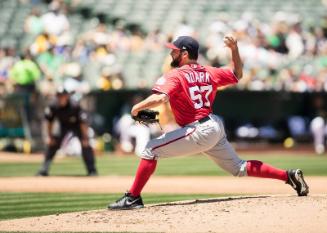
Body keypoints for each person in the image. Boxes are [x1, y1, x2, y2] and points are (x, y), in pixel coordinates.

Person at [108, 36, 309, 210]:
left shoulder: (176, 74)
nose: (172, 55)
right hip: (214, 125)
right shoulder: (208, 72)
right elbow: (237, 74)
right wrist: (235, 50)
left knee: (150, 149)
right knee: (239, 167)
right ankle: (288, 176)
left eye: (175, 51)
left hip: (198, 129)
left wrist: (136, 108)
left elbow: (161, 98)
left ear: (185, 54)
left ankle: (133, 197)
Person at [37, 87, 98, 176]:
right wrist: (50, 136)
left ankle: (92, 170)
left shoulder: (74, 105)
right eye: (59, 96)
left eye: (63, 96)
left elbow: (83, 122)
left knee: (86, 145)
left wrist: (85, 137)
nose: (61, 98)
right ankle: (44, 169)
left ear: (67, 96)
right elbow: (49, 122)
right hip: (63, 125)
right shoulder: (53, 106)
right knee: (52, 144)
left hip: (77, 125)